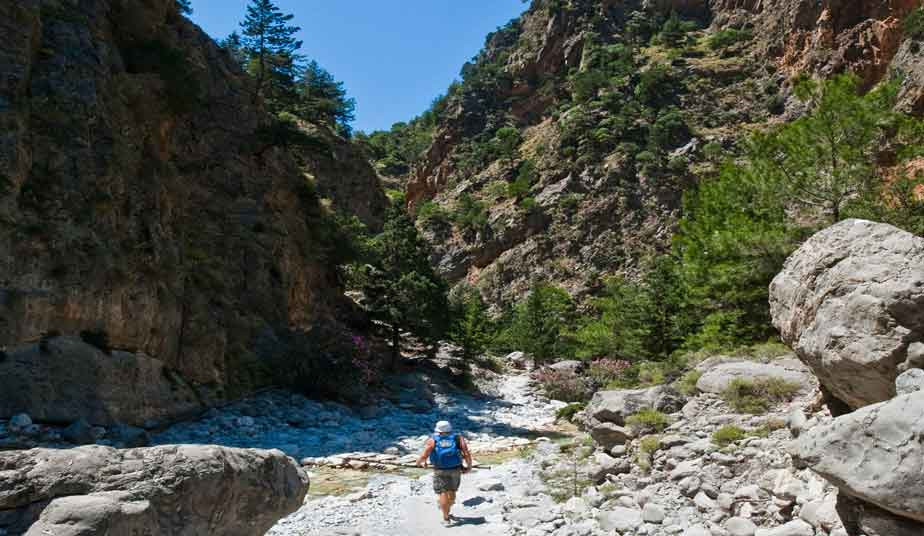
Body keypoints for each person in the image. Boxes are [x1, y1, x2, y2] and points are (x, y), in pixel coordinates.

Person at [416, 420, 473, 527]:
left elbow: (425, 454)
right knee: (452, 491)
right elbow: (466, 452)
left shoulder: (433, 439)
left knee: (442, 492)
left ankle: (446, 518)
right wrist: (469, 466)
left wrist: (419, 463)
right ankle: (447, 507)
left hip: (440, 470)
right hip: (455, 468)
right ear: (449, 428)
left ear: (438, 430)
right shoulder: (457, 438)